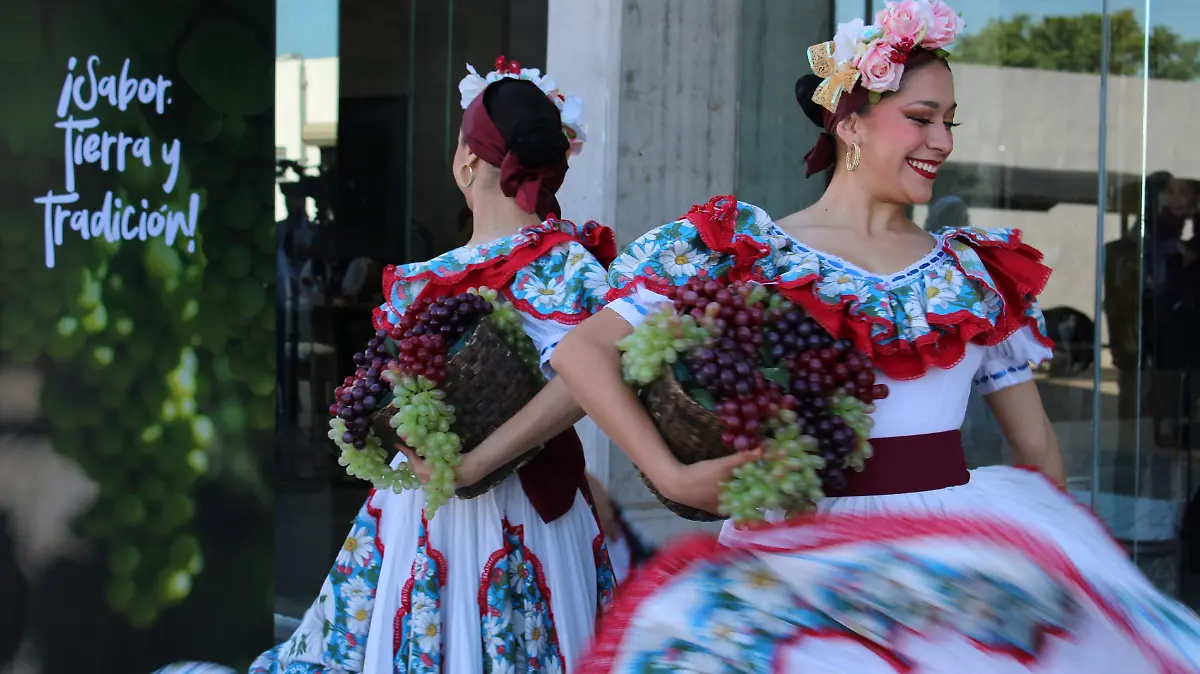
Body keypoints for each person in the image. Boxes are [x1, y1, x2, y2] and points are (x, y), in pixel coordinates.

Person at [551, 3, 1200, 671]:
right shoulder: (749, 247)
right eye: (921, 118)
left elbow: (1036, 447)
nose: (943, 141)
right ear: (850, 123)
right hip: (796, 557)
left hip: (943, 567)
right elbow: (581, 349)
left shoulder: (973, 271)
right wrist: (671, 474)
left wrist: (1034, 581)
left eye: (949, 122)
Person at [252, 59, 617, 673]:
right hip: (433, 499)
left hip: (506, 501)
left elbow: (586, 385)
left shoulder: (561, 263)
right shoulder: (490, 271)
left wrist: (475, 459)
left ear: (469, 162)